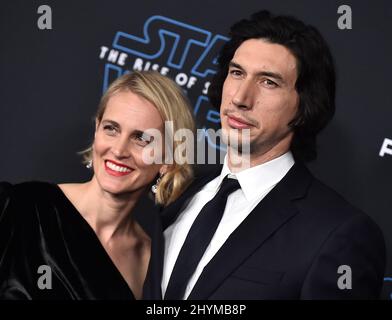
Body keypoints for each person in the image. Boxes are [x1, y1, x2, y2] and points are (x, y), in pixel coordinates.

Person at [144, 10, 386, 300]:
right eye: (237, 73)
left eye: (268, 82)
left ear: (305, 106)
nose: (240, 98)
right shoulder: (179, 196)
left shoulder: (340, 234)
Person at [0, 71, 195, 300]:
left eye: (141, 138)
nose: (119, 150)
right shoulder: (19, 207)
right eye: (111, 128)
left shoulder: (152, 270)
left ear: (167, 160)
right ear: (96, 131)